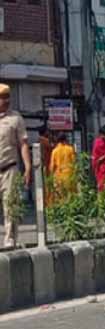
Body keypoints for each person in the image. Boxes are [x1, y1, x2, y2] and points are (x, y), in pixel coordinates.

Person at [0, 83, 30, 248]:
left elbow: (23, 144)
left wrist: (28, 167)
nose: (6, 101)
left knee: (10, 205)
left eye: (7, 97)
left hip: (9, 168)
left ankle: (10, 239)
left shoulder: (15, 118)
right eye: (2, 98)